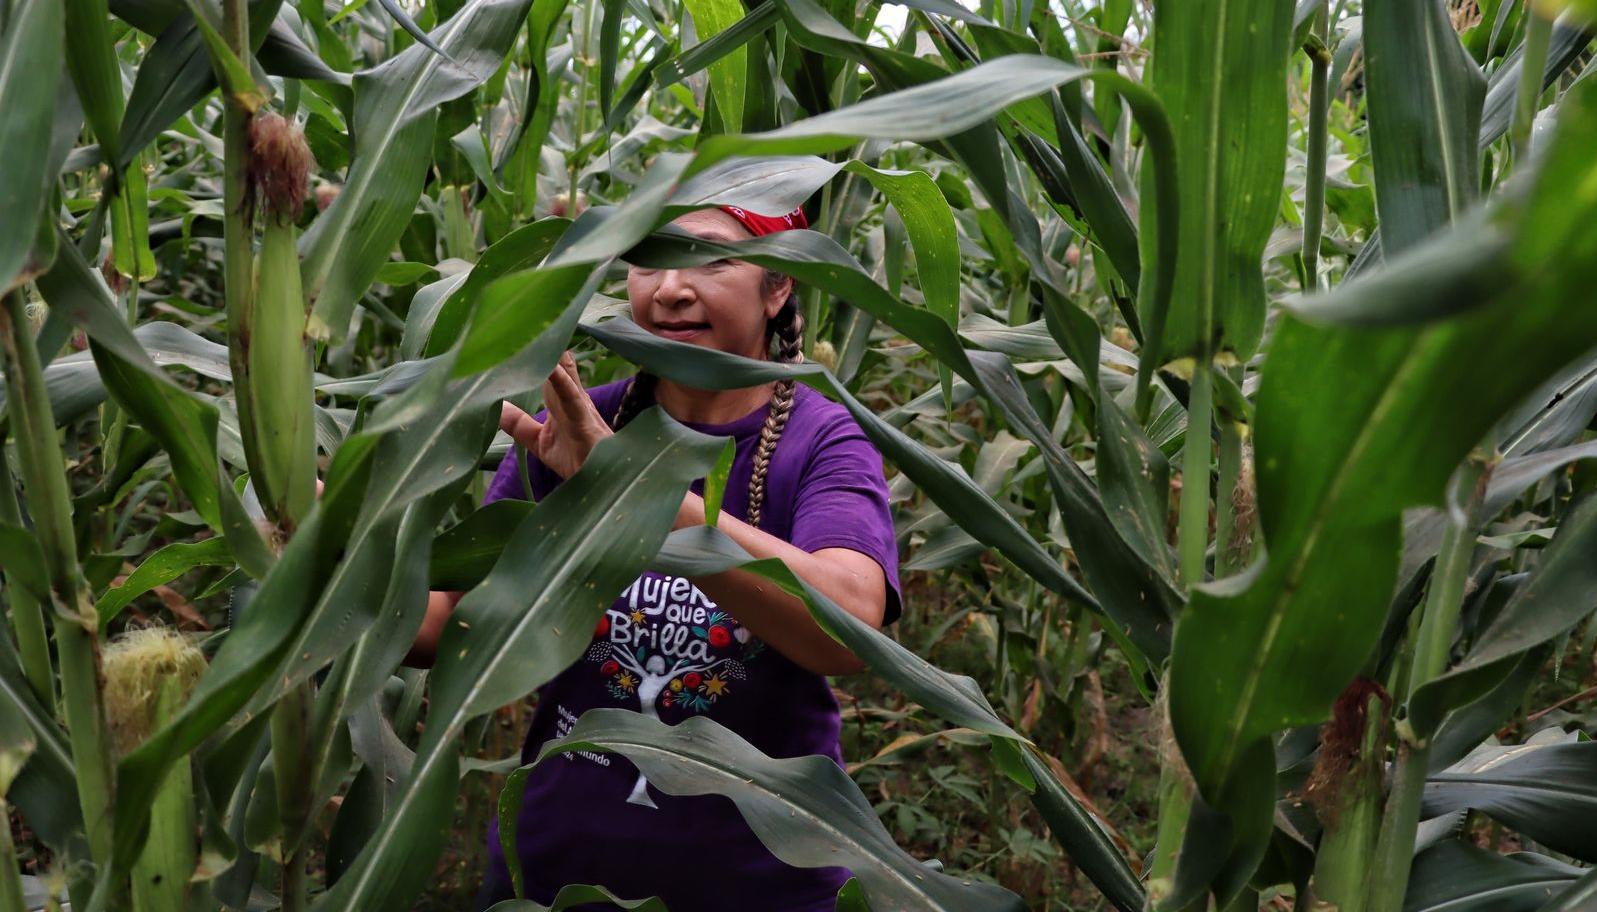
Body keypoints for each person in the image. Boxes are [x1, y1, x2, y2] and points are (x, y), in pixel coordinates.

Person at [407, 204, 904, 911]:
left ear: (778, 285)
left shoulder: (819, 441)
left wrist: (632, 487)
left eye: (710, 258)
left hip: (757, 886)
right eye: (649, 259)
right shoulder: (579, 423)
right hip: (555, 876)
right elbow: (455, 622)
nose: (668, 287)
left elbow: (849, 623)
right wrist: (326, 559)